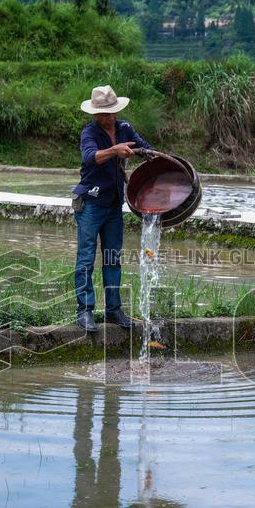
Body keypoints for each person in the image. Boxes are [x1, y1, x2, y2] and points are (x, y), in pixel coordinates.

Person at [74, 84, 153, 332]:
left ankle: (113, 309)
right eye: (105, 113)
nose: (110, 117)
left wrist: (150, 155)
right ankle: (85, 311)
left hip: (114, 204)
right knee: (86, 258)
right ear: (96, 114)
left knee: (112, 258)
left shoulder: (124, 128)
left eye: (113, 112)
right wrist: (114, 150)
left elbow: (143, 147)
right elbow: (90, 157)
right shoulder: (89, 133)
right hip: (91, 203)